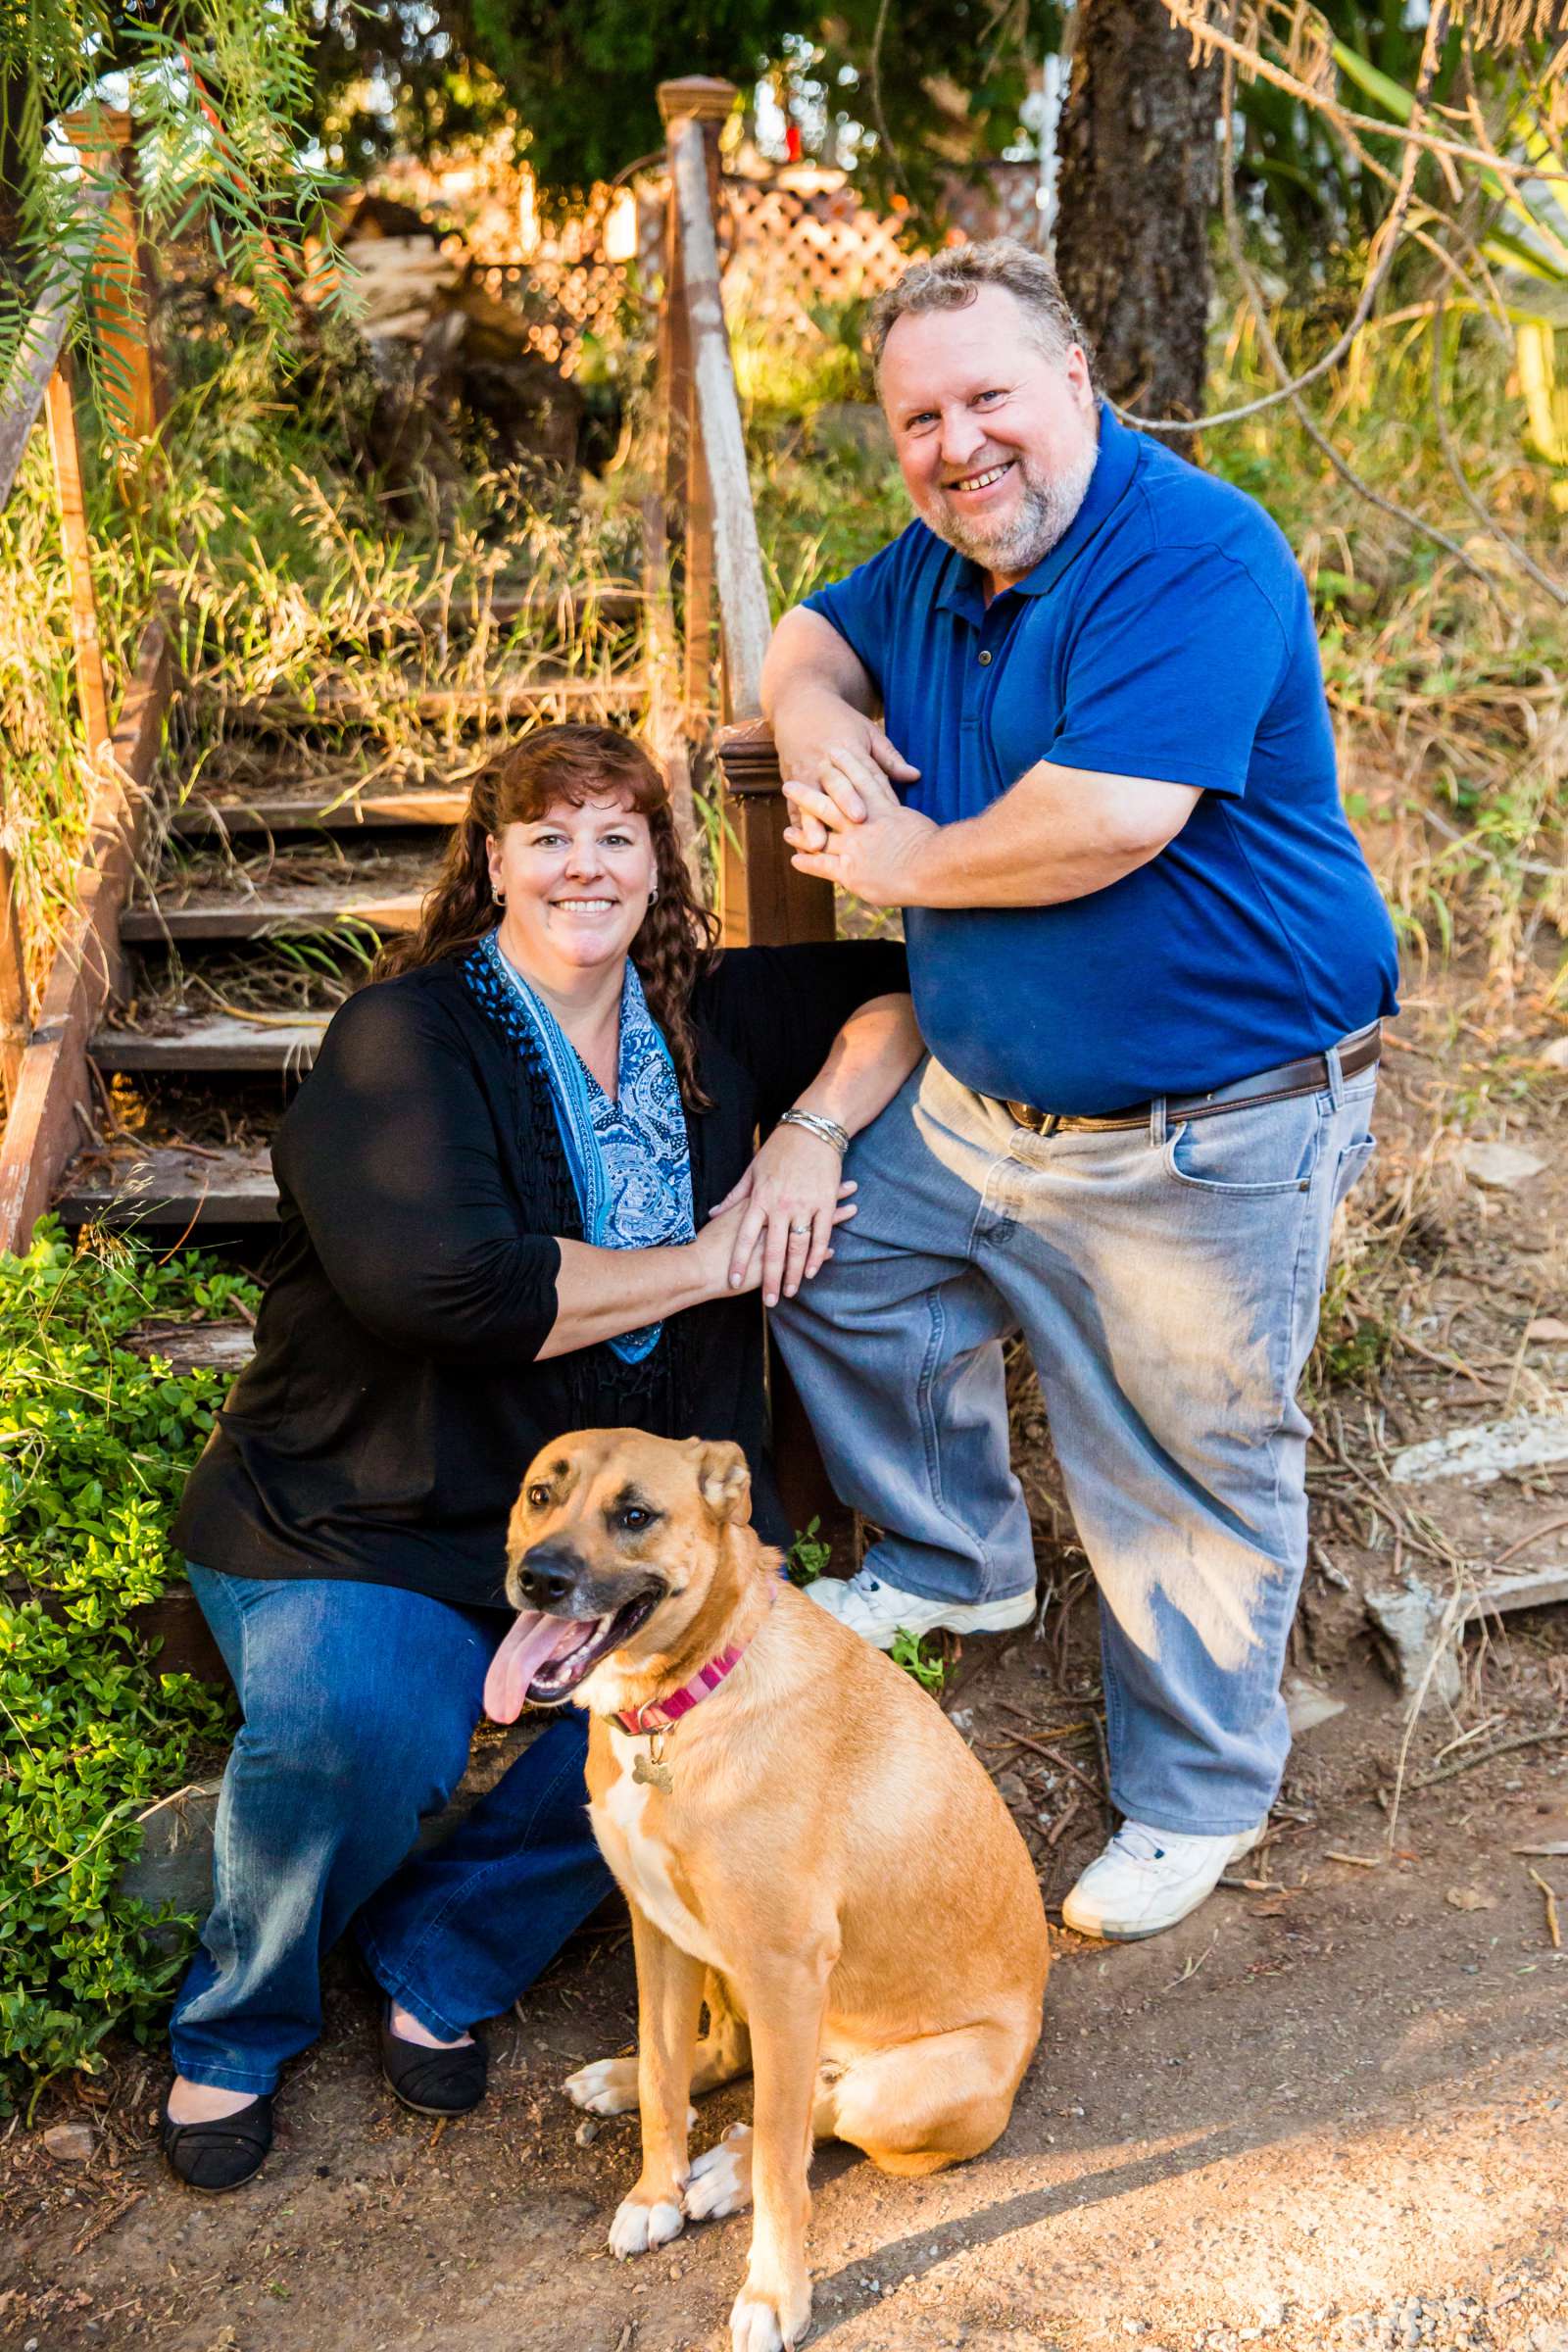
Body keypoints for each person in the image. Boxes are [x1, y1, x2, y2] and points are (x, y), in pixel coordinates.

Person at [160, 722, 917, 2190]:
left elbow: (909, 989)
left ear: (657, 868)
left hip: (603, 1537)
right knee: (359, 1733)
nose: (586, 865)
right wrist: (712, 1261)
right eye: (551, 837)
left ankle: (441, 1954)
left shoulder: (704, 1014)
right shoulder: (409, 1037)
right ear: (494, 863)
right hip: (367, 1510)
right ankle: (239, 2023)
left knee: (726, 1713)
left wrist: (813, 1133)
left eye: (618, 836)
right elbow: (457, 1289)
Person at [762, 241, 1397, 1944]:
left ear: (1080, 386)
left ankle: (1200, 1793)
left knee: (1183, 1467)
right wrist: (813, 718)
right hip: (978, 1115)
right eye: (918, 419)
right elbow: (810, 631)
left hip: (1210, 1127)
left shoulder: (1189, 549)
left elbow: (1114, 817)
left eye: (989, 401)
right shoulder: (939, 563)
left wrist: (904, 853)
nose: (959, 445)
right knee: (823, 1255)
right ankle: (955, 1561)